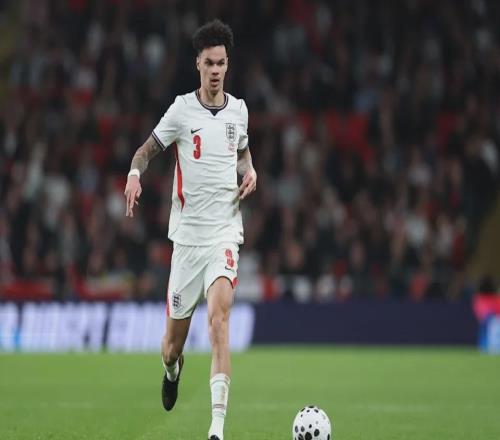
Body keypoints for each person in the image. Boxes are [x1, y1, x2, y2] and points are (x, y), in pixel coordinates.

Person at [124, 19, 257, 440]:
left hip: (224, 234)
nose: (216, 70)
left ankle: (216, 428)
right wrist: (134, 174)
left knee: (219, 321)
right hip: (186, 243)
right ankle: (172, 370)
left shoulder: (239, 110)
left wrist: (250, 169)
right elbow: (146, 150)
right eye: (209, 63)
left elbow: (242, 150)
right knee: (171, 346)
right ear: (197, 64)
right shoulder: (182, 110)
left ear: (228, 64)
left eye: (222, 63)